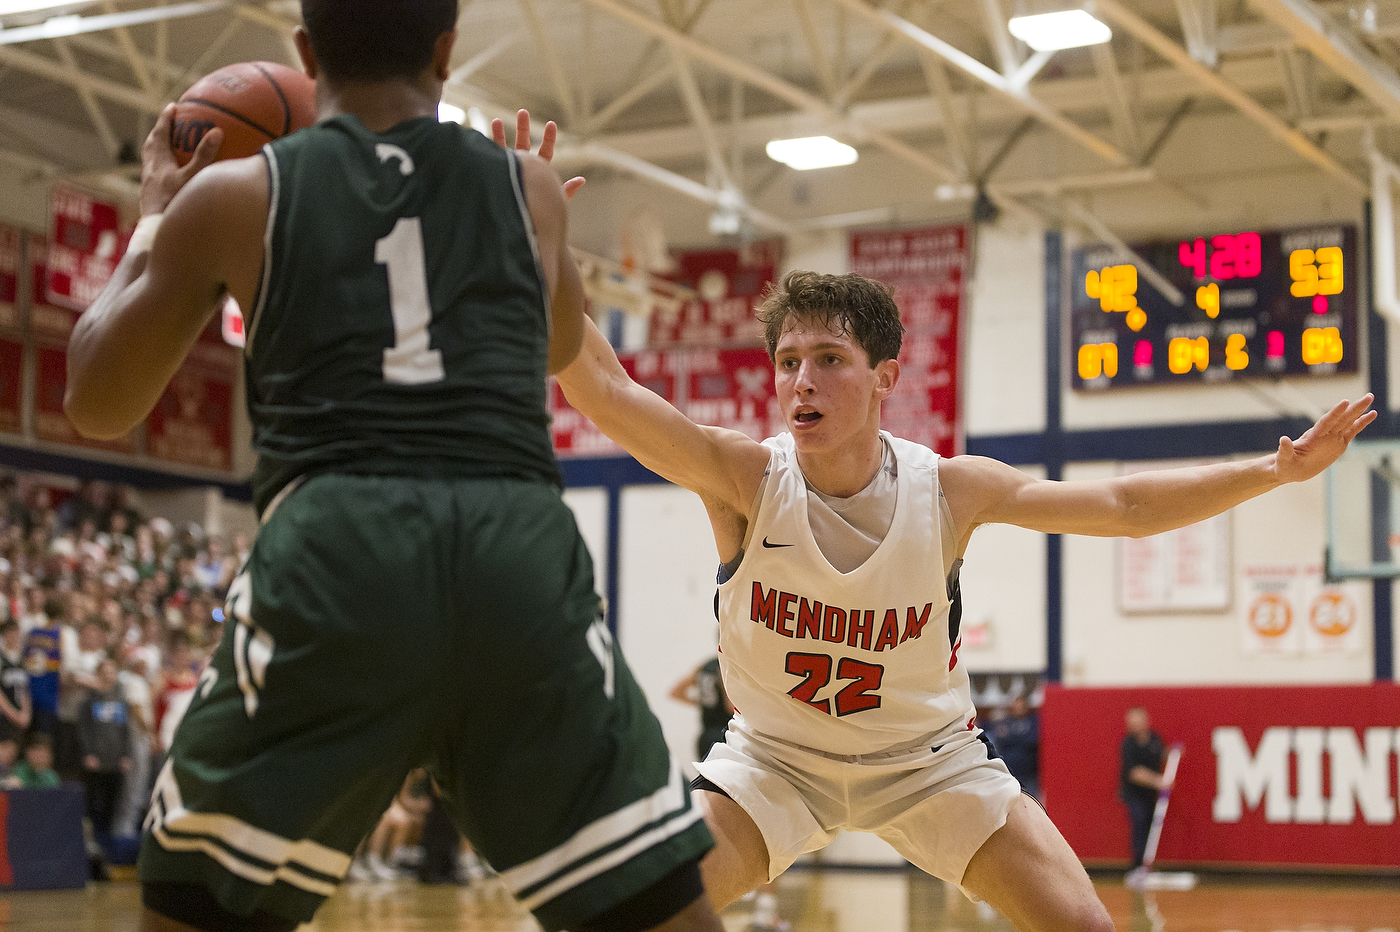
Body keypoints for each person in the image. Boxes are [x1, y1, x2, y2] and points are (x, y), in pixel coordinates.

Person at [63, 3, 722, 931]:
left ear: (305, 50)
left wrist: (156, 220)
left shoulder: (238, 194)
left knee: (192, 901)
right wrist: (533, 242)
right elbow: (558, 344)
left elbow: (97, 400)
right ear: (448, 50)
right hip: (513, 549)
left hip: (339, 546)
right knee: (657, 907)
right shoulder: (524, 186)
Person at [551, 255, 1375, 931]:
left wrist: (1273, 471)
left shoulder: (949, 491)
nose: (801, 381)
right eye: (788, 362)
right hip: (776, 761)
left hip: (926, 765)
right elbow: (609, 391)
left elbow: (1123, 507)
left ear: (885, 377)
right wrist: (538, 245)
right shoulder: (743, 479)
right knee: (635, 918)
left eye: (829, 360)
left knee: (1086, 928)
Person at [78, 656, 133, 845]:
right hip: (95, 761)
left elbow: (126, 730)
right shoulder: (88, 700)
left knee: (112, 803)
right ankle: (91, 841)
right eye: (106, 672)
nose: (110, 676)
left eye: (113, 671)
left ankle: (108, 842)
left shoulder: (121, 699)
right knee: (93, 802)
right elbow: (83, 729)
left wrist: (126, 754)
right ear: (98, 675)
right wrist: (88, 753)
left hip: (116, 761)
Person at [1120, 707, 1169, 874]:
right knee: (1139, 823)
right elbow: (1134, 773)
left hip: (1151, 795)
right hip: (1135, 795)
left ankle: (1149, 864)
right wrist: (1158, 781)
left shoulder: (1154, 738)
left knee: (1150, 825)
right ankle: (1138, 864)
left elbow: (1160, 754)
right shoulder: (1128, 744)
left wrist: (1173, 753)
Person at [989, 695, 1040, 802]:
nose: (1018, 708)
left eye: (1021, 705)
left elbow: (1032, 741)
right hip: (1010, 773)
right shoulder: (1006, 723)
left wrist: (1013, 738)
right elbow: (1001, 741)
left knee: (1031, 802)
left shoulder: (1033, 722)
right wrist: (1020, 738)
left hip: (1030, 773)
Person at [0, 619, 32, 744]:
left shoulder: (21, 660)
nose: (14, 637)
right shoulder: (2, 659)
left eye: (16, 633)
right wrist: (13, 714)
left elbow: (25, 690)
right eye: (10, 633)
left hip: (19, 716)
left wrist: (26, 713)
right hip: (4, 716)